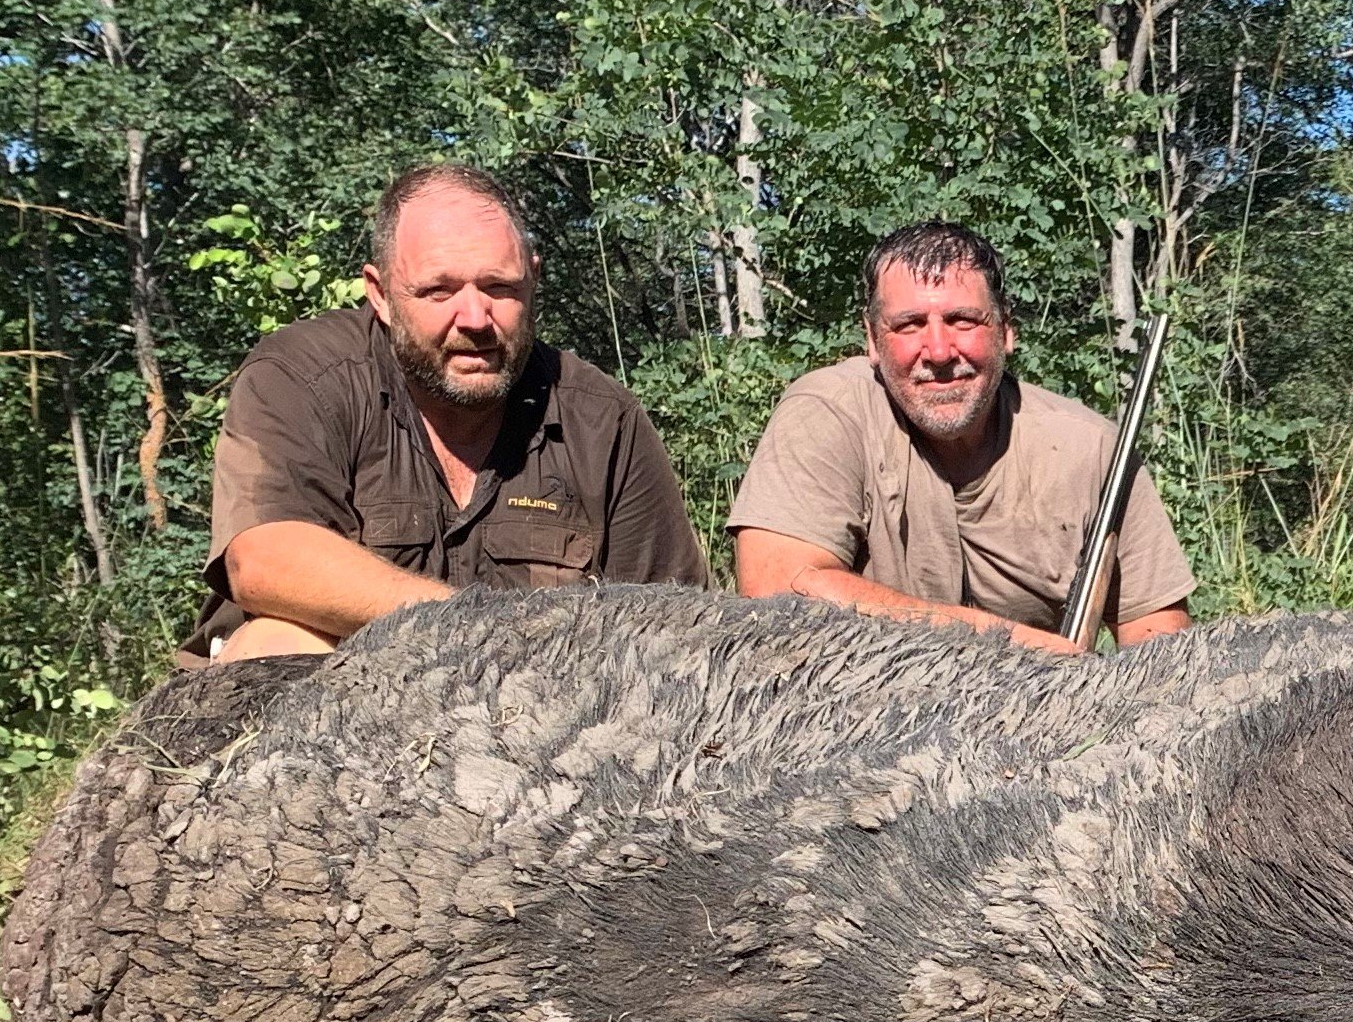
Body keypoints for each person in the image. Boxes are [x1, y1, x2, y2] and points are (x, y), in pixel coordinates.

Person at [193, 163, 710, 661]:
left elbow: (680, 624)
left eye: (499, 287)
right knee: (280, 640)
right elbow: (263, 560)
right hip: (332, 713)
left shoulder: (601, 419)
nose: (475, 318)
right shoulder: (303, 377)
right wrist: (480, 627)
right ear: (380, 294)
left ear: (532, 280)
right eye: (439, 291)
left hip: (536, 720)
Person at [729, 220, 1191, 652]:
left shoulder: (1094, 453)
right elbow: (776, 592)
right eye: (909, 325)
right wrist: (1023, 650)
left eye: (963, 320)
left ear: (1007, 330)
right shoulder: (827, 412)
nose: (938, 351)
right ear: (871, 340)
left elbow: (1161, 650)